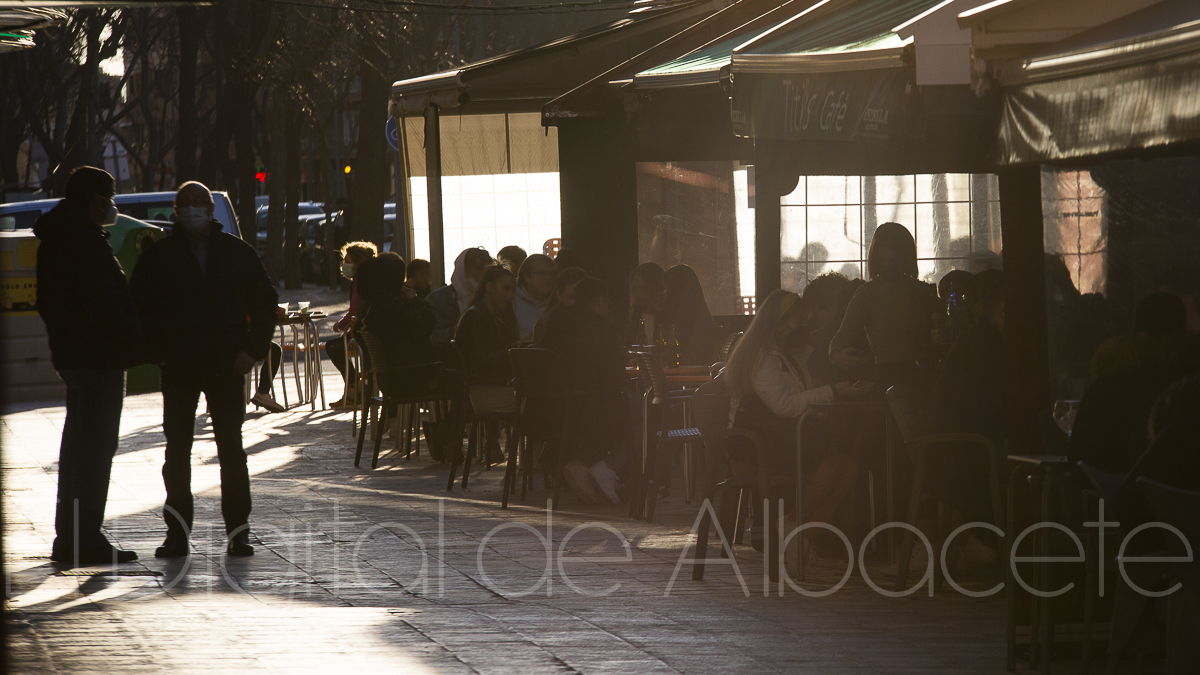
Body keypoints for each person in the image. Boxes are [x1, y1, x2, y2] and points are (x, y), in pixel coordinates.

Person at [131, 181, 278, 558]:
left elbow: (265, 302)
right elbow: (138, 307)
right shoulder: (159, 256)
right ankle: (178, 534)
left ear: (212, 210)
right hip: (179, 365)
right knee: (177, 450)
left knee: (232, 449)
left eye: (200, 203)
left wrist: (253, 350)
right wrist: (156, 352)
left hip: (227, 364)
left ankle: (238, 532)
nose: (193, 209)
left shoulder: (236, 253)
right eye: (186, 203)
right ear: (176, 210)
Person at [35, 166, 143, 566]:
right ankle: (86, 540)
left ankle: (70, 537)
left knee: (78, 450)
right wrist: (130, 339)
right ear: (96, 200)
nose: (113, 205)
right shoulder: (83, 240)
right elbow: (104, 305)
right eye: (110, 196)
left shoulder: (60, 236)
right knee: (95, 450)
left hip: (74, 357)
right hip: (98, 359)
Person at [725, 290, 870, 550]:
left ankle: (797, 534)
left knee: (848, 468)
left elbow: (797, 392)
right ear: (778, 324)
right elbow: (784, 405)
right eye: (800, 322)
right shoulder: (762, 358)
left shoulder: (789, 355)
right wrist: (832, 392)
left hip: (780, 442)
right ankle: (792, 531)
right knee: (826, 474)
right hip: (754, 450)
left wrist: (828, 389)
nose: (806, 327)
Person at [928, 269, 1006, 571]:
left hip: (954, 452)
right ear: (1001, 310)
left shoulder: (978, 340)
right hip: (970, 451)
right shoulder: (989, 346)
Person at [1070, 292, 1193, 474]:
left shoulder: (1108, 381)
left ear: (1134, 327)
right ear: (1185, 328)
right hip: (1180, 500)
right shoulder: (1188, 385)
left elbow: (1077, 456)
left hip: (1110, 497)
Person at [539, 277, 629, 505]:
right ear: (601, 301)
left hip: (549, 407)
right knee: (645, 410)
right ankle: (609, 469)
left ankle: (587, 466)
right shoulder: (602, 328)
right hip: (591, 408)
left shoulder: (555, 320)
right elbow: (615, 377)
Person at [831, 222, 937, 391]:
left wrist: (836, 355)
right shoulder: (920, 291)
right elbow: (839, 341)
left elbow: (839, 341)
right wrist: (836, 355)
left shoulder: (871, 292)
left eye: (893, 261)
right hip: (917, 376)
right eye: (882, 261)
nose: (888, 266)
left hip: (894, 377)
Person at [454, 265, 520, 416]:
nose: (510, 295)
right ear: (489, 286)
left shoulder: (491, 316)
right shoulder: (476, 317)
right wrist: (517, 346)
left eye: (512, 290)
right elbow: (481, 363)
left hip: (493, 386)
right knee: (540, 398)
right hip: (484, 390)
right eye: (505, 288)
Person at [358, 255, 436, 366]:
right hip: (412, 370)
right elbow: (428, 323)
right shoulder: (393, 309)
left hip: (390, 371)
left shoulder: (371, 306)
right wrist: (414, 299)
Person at [325, 241, 377, 409]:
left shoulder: (360, 281)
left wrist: (340, 325)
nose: (344, 265)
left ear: (359, 263)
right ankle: (357, 388)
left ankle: (354, 386)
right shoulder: (370, 278)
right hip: (370, 330)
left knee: (333, 347)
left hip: (363, 333)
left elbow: (355, 310)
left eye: (348, 261)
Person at [427, 247, 492, 347]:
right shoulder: (437, 300)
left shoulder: (491, 296)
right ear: (463, 269)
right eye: (478, 268)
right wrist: (460, 328)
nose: (482, 273)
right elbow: (433, 337)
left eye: (486, 269)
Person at [660, 264, 721, 366]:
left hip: (684, 378)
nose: (663, 293)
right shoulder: (703, 321)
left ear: (675, 290)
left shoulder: (678, 323)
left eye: (665, 288)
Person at [531, 266, 588, 345]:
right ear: (559, 296)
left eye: (582, 297)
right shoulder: (546, 325)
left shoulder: (600, 318)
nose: (577, 302)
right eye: (571, 297)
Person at [514, 253, 557, 340]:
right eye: (541, 273)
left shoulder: (559, 297)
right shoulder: (511, 298)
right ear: (527, 277)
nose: (548, 278)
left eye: (551, 273)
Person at [626, 262, 665, 346]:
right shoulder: (632, 319)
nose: (637, 293)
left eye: (642, 287)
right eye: (634, 288)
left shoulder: (666, 317)